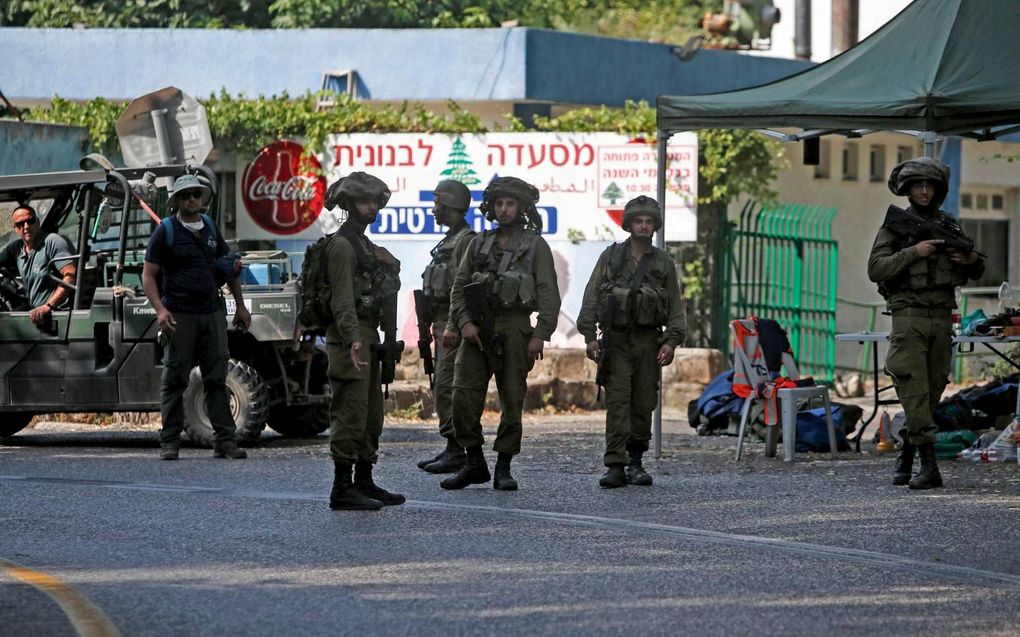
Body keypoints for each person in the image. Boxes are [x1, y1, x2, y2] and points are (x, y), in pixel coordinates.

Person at [868, 157, 984, 490]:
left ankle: (906, 456)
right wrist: (914, 252)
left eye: (929, 186)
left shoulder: (949, 226)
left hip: (942, 318)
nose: (923, 191)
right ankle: (930, 466)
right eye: (917, 185)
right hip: (909, 318)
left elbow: (975, 270)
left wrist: (970, 260)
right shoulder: (895, 227)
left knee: (931, 394)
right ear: (907, 189)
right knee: (914, 390)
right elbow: (877, 269)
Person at [440, 176, 561, 491]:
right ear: (491, 208)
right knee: (462, 397)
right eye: (499, 204)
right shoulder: (478, 242)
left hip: (515, 330)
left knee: (512, 400)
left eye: (510, 204)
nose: (504, 209)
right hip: (477, 331)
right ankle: (474, 461)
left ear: (520, 208)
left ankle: (504, 466)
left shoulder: (535, 245)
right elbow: (459, 288)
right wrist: (463, 323)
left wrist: (540, 335)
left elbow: (549, 295)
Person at [576, 196, 686, 488]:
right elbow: (591, 296)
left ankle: (636, 462)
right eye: (638, 221)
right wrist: (589, 336)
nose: (643, 226)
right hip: (617, 341)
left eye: (649, 221)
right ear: (628, 224)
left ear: (655, 225)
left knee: (642, 402)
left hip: (648, 341)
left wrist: (672, 341)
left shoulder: (663, 262)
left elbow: (675, 306)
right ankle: (615, 463)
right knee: (619, 401)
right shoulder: (611, 258)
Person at [142, 175, 252, 461]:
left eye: (195, 194)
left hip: (211, 312)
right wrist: (161, 310)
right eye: (185, 195)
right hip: (179, 314)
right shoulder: (165, 231)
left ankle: (225, 441)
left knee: (217, 378)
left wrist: (240, 307)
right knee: (175, 379)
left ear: (201, 198)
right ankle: (170, 442)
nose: (191, 199)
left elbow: (230, 268)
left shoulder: (212, 228)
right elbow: (148, 276)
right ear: (177, 200)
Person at [321, 171, 406, 511]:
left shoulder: (366, 245)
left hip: (368, 336)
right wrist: (353, 339)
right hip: (349, 338)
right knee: (350, 413)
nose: (371, 207)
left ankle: (364, 480)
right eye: (362, 201)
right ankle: (342, 489)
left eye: (374, 201)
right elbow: (341, 299)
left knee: (371, 415)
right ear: (348, 204)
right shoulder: (342, 245)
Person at [416, 179, 476, 474]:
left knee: (449, 385)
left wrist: (452, 324)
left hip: (452, 323)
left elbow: (461, 287)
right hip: (441, 320)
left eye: (438, 204)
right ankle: (452, 447)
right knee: (443, 385)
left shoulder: (465, 240)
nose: (434, 209)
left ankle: (458, 449)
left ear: (451, 205)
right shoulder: (450, 239)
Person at [0, 205, 76, 325]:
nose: (26, 227)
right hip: (35, 314)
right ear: (15, 229)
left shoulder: (52, 242)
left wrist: (48, 306)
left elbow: (70, 275)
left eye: (30, 221)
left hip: (57, 316)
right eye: (20, 224)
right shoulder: (16, 248)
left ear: (38, 222)